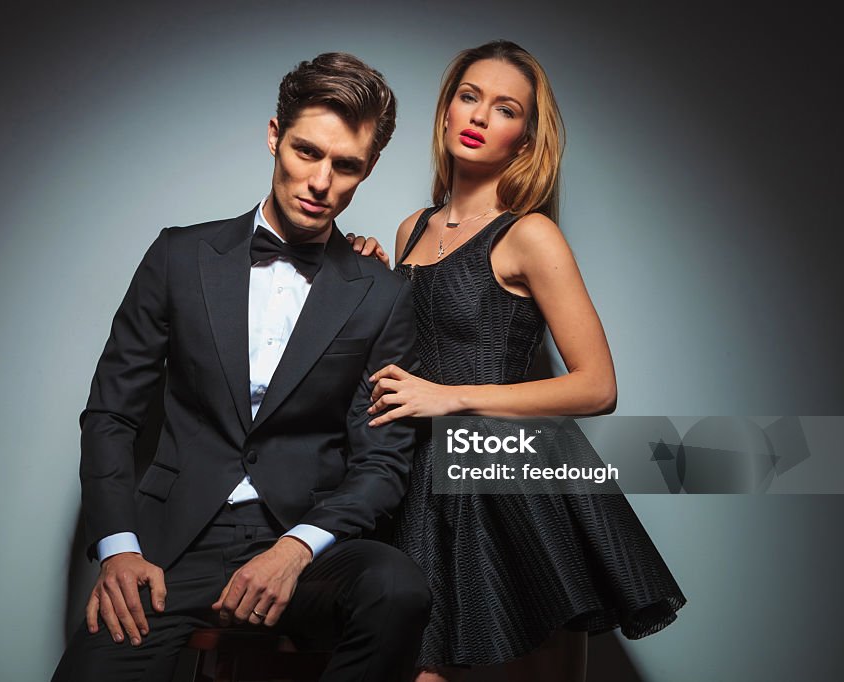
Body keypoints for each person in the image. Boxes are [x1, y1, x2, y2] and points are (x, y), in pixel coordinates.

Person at [50, 52, 431, 682]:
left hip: (304, 547)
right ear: (274, 135)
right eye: (307, 152)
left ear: (368, 169)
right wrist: (119, 549)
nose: (321, 183)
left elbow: (382, 461)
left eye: (346, 166)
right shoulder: (178, 256)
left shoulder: (381, 293)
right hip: (173, 549)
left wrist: (296, 547)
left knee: (397, 589)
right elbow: (112, 414)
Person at [354, 40, 687, 681]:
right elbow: (411, 341)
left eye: (505, 109)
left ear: (525, 139)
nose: (479, 117)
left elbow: (597, 387)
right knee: (418, 664)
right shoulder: (409, 230)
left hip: (513, 475)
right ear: (447, 110)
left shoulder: (530, 234)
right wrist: (366, 276)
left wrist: (450, 397)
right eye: (469, 97)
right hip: (419, 475)